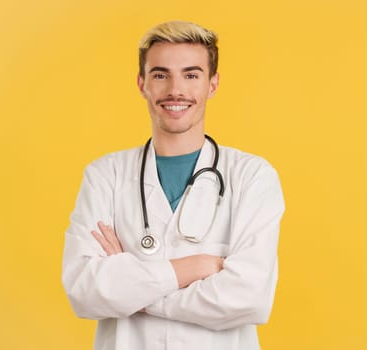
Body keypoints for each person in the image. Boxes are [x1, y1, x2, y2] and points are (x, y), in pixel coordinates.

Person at [62, 20, 285, 350]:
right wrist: (190, 269)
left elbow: (249, 297)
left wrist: (135, 291)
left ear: (212, 84)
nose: (175, 90)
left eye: (191, 75)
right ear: (142, 84)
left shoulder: (252, 177)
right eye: (160, 74)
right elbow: (84, 291)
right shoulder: (105, 176)